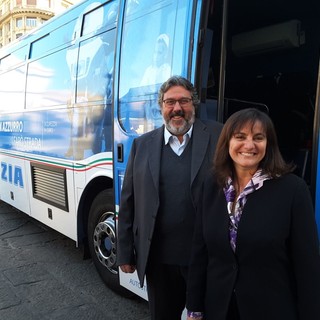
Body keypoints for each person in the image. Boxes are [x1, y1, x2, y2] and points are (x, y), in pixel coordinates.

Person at [186, 108, 320, 320]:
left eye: (258, 137)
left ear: (269, 144)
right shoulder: (211, 185)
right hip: (219, 308)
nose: (249, 145)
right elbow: (200, 251)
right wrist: (194, 307)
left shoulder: (293, 190)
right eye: (240, 137)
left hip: (271, 309)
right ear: (227, 142)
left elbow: (307, 266)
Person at [117, 75, 222, 320]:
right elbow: (129, 200)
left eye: (184, 101)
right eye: (170, 102)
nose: (177, 108)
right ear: (161, 107)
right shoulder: (142, 145)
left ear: (193, 104)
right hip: (159, 260)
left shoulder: (219, 136)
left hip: (205, 260)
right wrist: (124, 252)